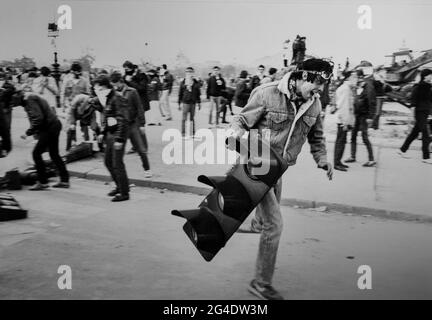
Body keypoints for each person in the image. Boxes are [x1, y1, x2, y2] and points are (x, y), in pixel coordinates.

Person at [227, 58, 334, 300]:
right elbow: (241, 120)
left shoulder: (314, 106)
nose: (319, 93)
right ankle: (261, 284)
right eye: (316, 87)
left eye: (322, 89)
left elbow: (316, 137)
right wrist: (236, 136)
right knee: (275, 225)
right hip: (257, 165)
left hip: (279, 169)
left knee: (265, 221)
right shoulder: (267, 94)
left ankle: (255, 224)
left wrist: (323, 159)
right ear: (303, 78)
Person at [18, 86, 69, 190]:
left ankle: (42, 182)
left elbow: (38, 118)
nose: (14, 105)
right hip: (53, 125)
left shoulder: (29, 99)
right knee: (54, 154)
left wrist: (28, 132)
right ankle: (64, 180)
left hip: (49, 127)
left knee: (36, 154)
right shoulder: (30, 97)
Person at [91, 75, 130, 201]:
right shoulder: (106, 98)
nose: (97, 91)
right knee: (108, 162)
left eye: (99, 88)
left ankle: (124, 193)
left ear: (106, 87)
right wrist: (102, 132)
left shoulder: (117, 98)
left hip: (118, 134)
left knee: (117, 163)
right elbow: (108, 117)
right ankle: (119, 186)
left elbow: (122, 119)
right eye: (95, 89)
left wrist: (119, 139)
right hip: (110, 134)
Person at [110, 71, 152, 177]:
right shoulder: (114, 94)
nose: (114, 87)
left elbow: (139, 108)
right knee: (119, 151)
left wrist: (142, 124)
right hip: (121, 126)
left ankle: (147, 169)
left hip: (132, 124)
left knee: (141, 149)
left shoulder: (132, 91)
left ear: (120, 81)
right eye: (113, 85)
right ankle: (119, 173)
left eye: (115, 84)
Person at [398, 69, 432, 164]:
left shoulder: (429, 87)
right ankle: (426, 157)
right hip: (419, 112)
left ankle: (402, 150)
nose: (431, 77)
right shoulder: (418, 87)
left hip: (425, 112)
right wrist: (412, 115)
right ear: (425, 76)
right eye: (430, 75)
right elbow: (413, 103)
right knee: (425, 133)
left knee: (415, 133)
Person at [345, 69, 377, 167]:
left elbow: (372, 102)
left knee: (364, 137)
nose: (353, 78)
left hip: (364, 116)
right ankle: (352, 156)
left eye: (355, 76)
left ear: (360, 77)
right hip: (356, 115)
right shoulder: (356, 86)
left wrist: (370, 117)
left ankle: (371, 159)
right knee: (353, 136)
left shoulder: (368, 86)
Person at [61, 62, 91, 151]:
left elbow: (88, 93)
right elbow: (63, 92)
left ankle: (87, 144)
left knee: (84, 125)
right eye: (75, 72)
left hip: (82, 106)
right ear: (72, 72)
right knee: (71, 126)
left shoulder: (84, 80)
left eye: (79, 72)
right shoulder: (67, 80)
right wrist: (62, 104)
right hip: (71, 106)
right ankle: (70, 145)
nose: (77, 74)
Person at [332, 70, 356, 171]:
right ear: (349, 77)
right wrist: (345, 122)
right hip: (343, 120)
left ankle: (338, 161)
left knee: (341, 141)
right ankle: (337, 163)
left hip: (343, 120)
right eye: (354, 77)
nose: (356, 79)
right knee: (340, 142)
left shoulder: (347, 88)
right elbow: (343, 106)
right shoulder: (346, 89)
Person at [178, 67, 201, 138]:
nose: (189, 73)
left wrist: (199, 103)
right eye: (187, 72)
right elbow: (180, 93)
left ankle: (192, 133)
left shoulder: (195, 82)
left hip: (193, 102)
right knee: (184, 119)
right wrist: (179, 103)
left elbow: (198, 93)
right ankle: (183, 133)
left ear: (193, 73)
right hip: (185, 102)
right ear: (185, 73)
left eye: (190, 72)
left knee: (192, 118)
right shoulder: (183, 82)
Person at [0, 71, 15, 156]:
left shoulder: (8, 86)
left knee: (6, 127)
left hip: (6, 107)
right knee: (5, 127)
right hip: (5, 108)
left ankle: (4, 147)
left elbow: (12, 90)